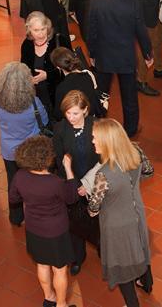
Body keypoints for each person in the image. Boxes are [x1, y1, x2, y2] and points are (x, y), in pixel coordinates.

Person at [88, 118, 154, 307]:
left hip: (117, 225)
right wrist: (129, 186)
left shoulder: (103, 175)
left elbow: (93, 208)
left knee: (123, 266)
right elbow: (149, 171)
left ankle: (132, 304)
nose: (92, 141)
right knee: (140, 249)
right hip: (136, 212)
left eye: (95, 138)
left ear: (108, 142)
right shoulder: (135, 151)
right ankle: (146, 283)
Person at [9, 135, 78, 307]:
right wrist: (69, 169)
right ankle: (62, 304)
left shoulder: (19, 176)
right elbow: (71, 198)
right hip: (56, 231)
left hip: (34, 228)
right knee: (60, 269)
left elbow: (13, 199)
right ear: (48, 157)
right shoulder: (54, 182)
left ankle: (49, 298)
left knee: (42, 264)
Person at [86, 0, 153, 137]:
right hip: (126, 57)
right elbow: (141, 31)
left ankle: (99, 123)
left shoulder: (95, 1)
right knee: (129, 95)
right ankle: (130, 129)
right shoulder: (134, 3)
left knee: (102, 93)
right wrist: (147, 53)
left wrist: (92, 53)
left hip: (103, 55)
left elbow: (91, 32)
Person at [0, 62, 49, 226]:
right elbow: (43, 121)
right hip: (30, 151)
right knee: (36, 183)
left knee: (13, 182)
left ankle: (16, 217)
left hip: (9, 151)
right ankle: (37, 214)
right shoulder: (33, 103)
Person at [52, 90, 101, 275]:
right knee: (73, 222)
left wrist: (87, 184)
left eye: (75, 113)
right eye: (67, 113)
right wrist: (72, 183)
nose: (70, 117)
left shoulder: (96, 126)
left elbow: (103, 159)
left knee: (97, 218)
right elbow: (58, 159)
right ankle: (77, 257)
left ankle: (101, 248)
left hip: (94, 182)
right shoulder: (60, 129)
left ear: (85, 110)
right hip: (71, 182)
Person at [21, 11, 64, 116]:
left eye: (43, 29)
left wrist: (47, 75)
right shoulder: (26, 45)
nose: (40, 33)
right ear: (29, 29)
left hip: (58, 92)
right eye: (36, 30)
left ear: (47, 27)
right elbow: (24, 66)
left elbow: (69, 68)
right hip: (38, 93)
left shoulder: (59, 41)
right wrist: (28, 77)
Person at [51, 47, 104, 120]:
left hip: (77, 122)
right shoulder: (88, 75)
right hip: (92, 117)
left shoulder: (61, 88)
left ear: (58, 67)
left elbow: (58, 114)